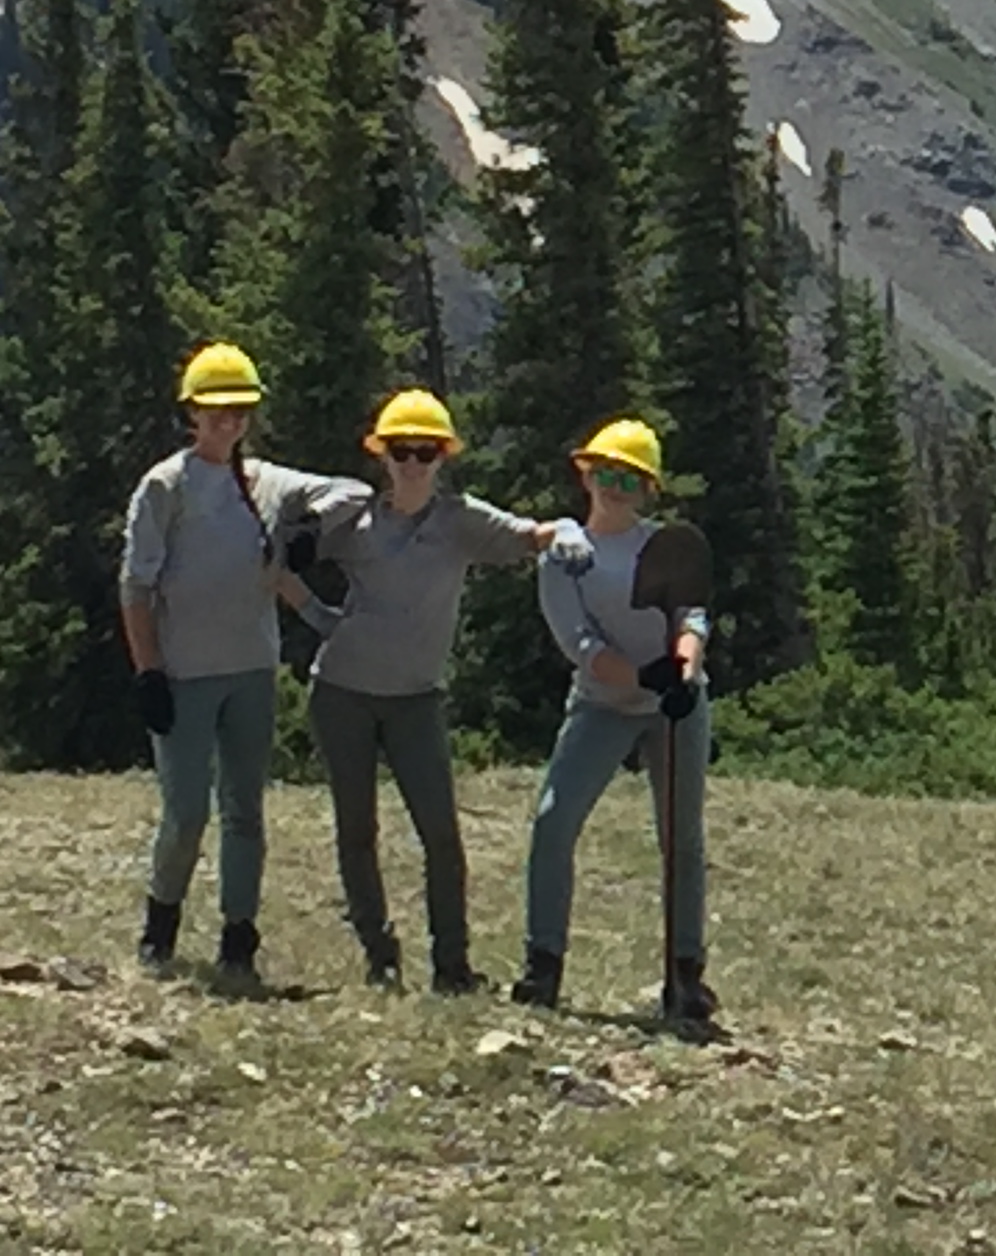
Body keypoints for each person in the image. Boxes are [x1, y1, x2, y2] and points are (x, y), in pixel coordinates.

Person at [283, 389, 593, 992]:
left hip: (418, 700)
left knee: (442, 838)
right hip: (341, 692)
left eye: (426, 452)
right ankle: (381, 955)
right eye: (402, 451)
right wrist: (320, 618)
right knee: (356, 830)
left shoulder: (462, 521)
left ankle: (452, 966)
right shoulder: (354, 521)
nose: (413, 463)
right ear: (383, 455)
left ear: (444, 457)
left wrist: (569, 531)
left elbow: (531, 535)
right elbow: (279, 561)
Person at [117, 342, 368, 986]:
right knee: (186, 812)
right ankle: (161, 922)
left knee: (244, 809)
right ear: (192, 415)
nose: (228, 423)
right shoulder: (163, 487)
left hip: (252, 670)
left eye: (239, 411)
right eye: (216, 411)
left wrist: (306, 529)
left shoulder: (268, 484)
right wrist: (148, 672)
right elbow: (136, 587)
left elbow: (356, 491)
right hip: (182, 674)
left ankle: (239, 938)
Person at [512, 418, 717, 1032]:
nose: (613, 487)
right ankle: (543, 963)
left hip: (676, 704)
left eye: (628, 478)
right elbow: (583, 647)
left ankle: (686, 974)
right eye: (604, 474)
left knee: (681, 838)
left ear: (647, 489)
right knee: (554, 820)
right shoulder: (562, 559)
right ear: (584, 474)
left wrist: (683, 670)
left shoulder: (670, 546)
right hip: (603, 703)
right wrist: (650, 678)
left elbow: (693, 617)